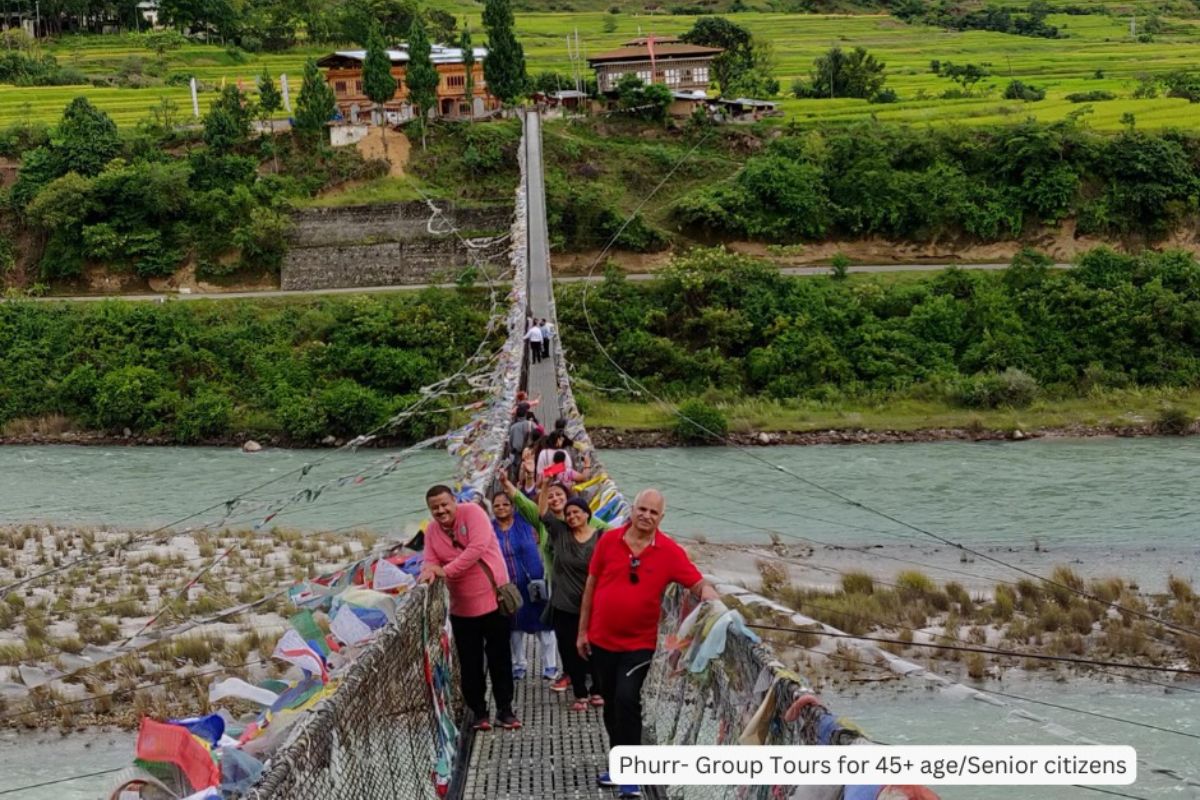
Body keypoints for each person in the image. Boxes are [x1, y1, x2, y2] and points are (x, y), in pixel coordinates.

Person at [578, 489, 719, 799]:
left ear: (661, 518)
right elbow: (591, 584)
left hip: (638, 645)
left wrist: (711, 598)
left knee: (628, 700)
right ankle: (619, 764)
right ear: (632, 509)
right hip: (600, 639)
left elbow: (696, 583)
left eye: (653, 513)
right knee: (611, 703)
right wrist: (582, 631)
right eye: (642, 509)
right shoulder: (607, 541)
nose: (646, 516)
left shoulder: (669, 552)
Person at [419, 485, 522, 732]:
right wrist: (428, 573)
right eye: (435, 508)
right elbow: (430, 559)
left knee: (500, 658)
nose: (441, 510)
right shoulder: (432, 531)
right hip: (462, 608)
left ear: (454, 501)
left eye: (444, 504)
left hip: (493, 600)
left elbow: (476, 548)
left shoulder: (473, 513)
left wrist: (445, 571)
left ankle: (505, 710)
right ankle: (479, 712)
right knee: (470, 664)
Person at [500, 473, 604, 709]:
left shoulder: (601, 536)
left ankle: (598, 690)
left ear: (588, 514)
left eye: (577, 512)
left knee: (596, 647)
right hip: (563, 602)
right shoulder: (559, 532)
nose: (572, 516)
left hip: (594, 603)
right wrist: (545, 485)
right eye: (569, 514)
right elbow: (541, 512)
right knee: (568, 649)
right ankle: (580, 693)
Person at [490, 490, 558, 681]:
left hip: (533, 583)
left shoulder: (524, 520)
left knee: (543, 623)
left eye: (505, 504)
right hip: (508, 587)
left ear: (513, 506)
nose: (501, 508)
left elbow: (531, 502)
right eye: (497, 505)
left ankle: (550, 665)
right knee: (514, 627)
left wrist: (537, 482)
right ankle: (519, 664)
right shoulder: (489, 528)